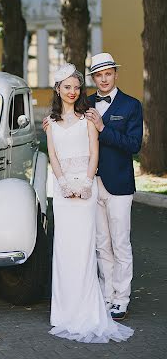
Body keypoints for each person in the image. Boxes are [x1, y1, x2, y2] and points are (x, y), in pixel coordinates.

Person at [46, 63, 134, 343]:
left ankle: (112, 300)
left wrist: (84, 184)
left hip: (91, 187)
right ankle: (66, 309)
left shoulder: (93, 117)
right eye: (66, 87)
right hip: (63, 191)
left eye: (76, 87)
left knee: (101, 245)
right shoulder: (51, 122)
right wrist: (63, 184)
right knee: (72, 248)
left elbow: (97, 153)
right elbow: (54, 157)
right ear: (58, 89)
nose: (72, 92)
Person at [85, 52, 143, 321]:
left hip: (119, 184)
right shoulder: (85, 103)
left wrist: (102, 126)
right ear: (94, 78)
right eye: (99, 74)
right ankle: (106, 295)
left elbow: (133, 145)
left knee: (120, 243)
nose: (104, 78)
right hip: (92, 184)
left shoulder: (131, 105)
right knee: (101, 244)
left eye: (108, 73)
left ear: (115, 74)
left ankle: (121, 299)